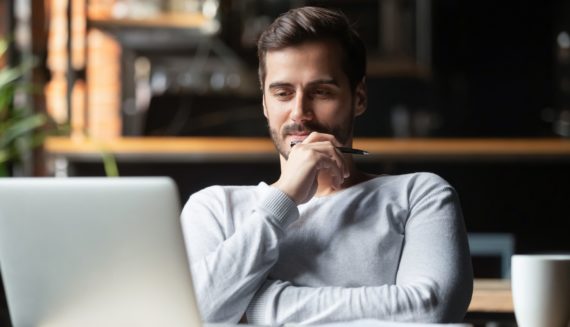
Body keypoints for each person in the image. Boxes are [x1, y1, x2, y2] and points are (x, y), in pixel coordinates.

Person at [181, 6, 473, 325]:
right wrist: (284, 199)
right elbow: (189, 315)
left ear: (358, 98)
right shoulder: (214, 208)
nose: (299, 113)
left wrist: (258, 305)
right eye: (282, 93)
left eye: (321, 92)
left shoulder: (419, 195)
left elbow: (432, 309)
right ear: (264, 103)